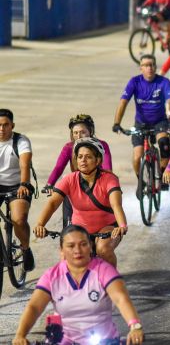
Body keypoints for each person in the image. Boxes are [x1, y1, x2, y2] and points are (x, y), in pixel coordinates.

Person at [13, 225, 144, 345]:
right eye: (71, 246)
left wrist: (135, 326)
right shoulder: (51, 276)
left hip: (104, 340)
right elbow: (34, 307)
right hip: (64, 340)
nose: (77, 250)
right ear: (62, 250)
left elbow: (121, 298)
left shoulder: (104, 270)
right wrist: (20, 335)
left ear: (90, 246)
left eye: (83, 244)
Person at [34, 137, 128, 267]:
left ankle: (112, 278)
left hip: (108, 227)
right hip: (80, 229)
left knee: (103, 249)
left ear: (98, 160)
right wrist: (40, 224)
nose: (83, 160)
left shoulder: (109, 179)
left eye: (88, 157)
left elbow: (115, 204)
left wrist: (122, 225)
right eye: (80, 157)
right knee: (66, 255)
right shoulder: (69, 179)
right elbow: (53, 203)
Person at [113, 54, 170, 183]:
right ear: (141, 68)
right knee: (137, 156)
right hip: (141, 123)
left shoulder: (163, 82)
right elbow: (123, 102)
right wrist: (117, 123)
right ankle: (140, 182)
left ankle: (163, 175)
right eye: (146, 65)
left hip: (159, 122)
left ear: (155, 67)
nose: (149, 68)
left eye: (152, 65)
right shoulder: (134, 82)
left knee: (164, 145)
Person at [0, 108, 35, 271]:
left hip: (18, 185)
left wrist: (24, 184)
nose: (1, 128)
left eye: (5, 125)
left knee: (19, 220)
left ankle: (26, 249)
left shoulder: (21, 141)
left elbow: (24, 164)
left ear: (12, 126)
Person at [46, 114, 113, 191]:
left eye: (83, 132)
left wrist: (109, 184)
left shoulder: (102, 145)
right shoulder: (69, 147)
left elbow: (107, 168)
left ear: (91, 131)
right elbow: (59, 167)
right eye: (75, 133)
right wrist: (50, 184)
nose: (79, 137)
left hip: (99, 183)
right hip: (78, 184)